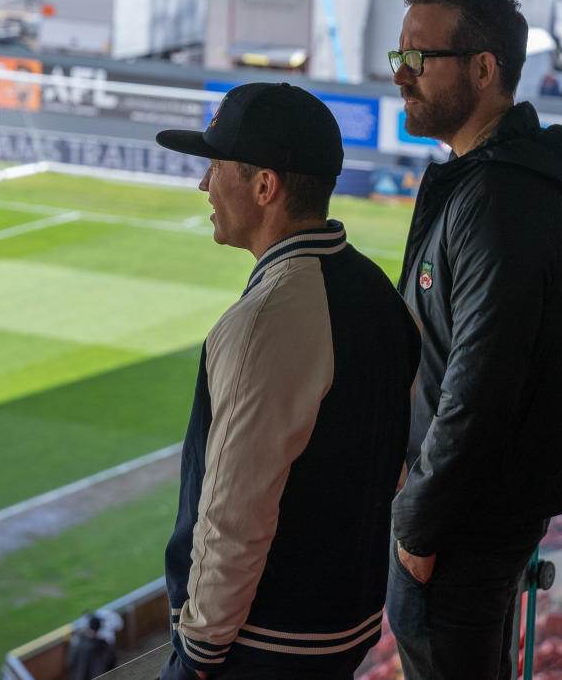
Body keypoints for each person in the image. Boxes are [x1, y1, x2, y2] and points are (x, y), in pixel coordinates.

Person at [154, 82, 421, 680]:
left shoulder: (267, 321)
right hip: (346, 627)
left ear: (265, 186)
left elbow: (233, 512)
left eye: (215, 167)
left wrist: (196, 652)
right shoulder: (377, 292)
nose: (204, 185)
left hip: (265, 647)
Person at [386, 0, 562, 680]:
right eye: (400, 57)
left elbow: (482, 382)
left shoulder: (498, 197)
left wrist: (420, 521)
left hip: (461, 523)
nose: (402, 76)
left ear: (484, 69)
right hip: (471, 512)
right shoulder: (492, 180)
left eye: (420, 59)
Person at [67, 614, 117, 680]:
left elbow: (70, 663)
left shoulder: (78, 643)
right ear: (99, 628)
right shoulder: (104, 646)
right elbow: (112, 663)